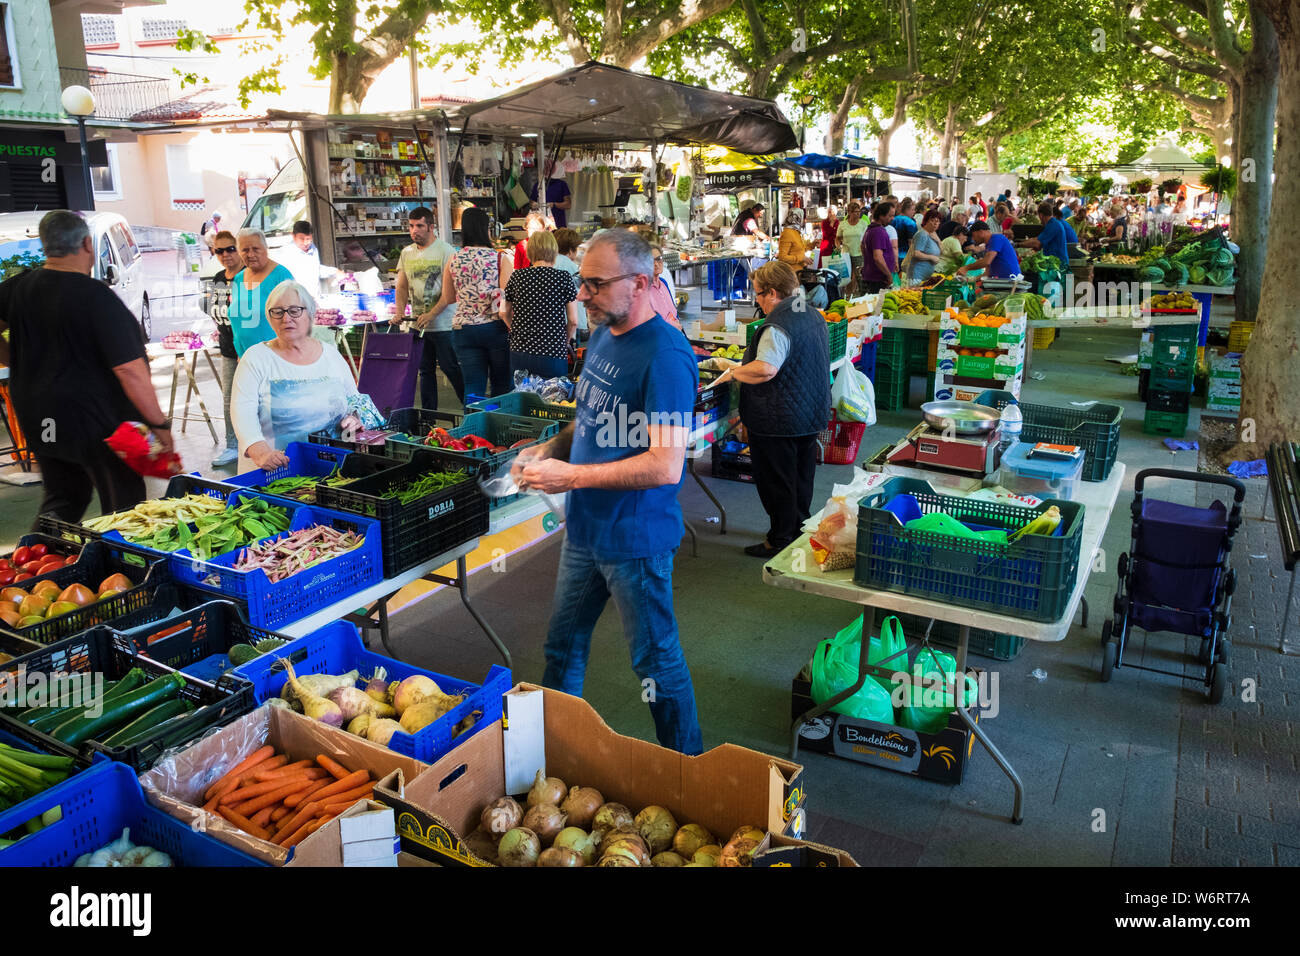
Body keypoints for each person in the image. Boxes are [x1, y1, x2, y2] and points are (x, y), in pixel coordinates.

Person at [511, 229, 703, 755]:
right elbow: (591, 421)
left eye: (595, 284)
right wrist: (551, 449)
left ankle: (687, 768)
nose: (582, 295)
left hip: (635, 540)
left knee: (655, 664)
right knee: (563, 645)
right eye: (582, 281)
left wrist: (569, 477)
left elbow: (665, 465)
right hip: (586, 531)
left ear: (640, 283)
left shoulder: (665, 357)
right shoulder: (602, 332)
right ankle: (555, 752)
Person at [0, 210, 174, 525]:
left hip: (39, 416)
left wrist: (12, 358)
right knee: (125, 504)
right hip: (95, 422)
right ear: (87, 245)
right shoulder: (98, 299)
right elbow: (131, 371)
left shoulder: (19, 288)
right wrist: (159, 424)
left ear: (45, 246)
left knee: (64, 497)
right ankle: (122, 570)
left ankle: (36, 564)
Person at [710, 262, 829, 559]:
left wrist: (732, 374)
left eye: (759, 295)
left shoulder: (778, 324)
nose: (758, 302)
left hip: (779, 417)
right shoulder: (810, 312)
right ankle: (800, 529)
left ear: (773, 293)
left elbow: (765, 369)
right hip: (810, 411)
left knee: (776, 481)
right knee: (801, 476)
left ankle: (779, 539)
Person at [230, 281, 358, 471]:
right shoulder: (256, 358)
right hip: (275, 469)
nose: (286, 318)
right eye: (278, 312)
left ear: (310, 314)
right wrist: (259, 450)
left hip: (330, 464)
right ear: (270, 318)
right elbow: (242, 410)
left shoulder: (330, 354)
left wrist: (354, 418)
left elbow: (354, 400)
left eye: (294, 310)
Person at [430, 206, 513, 398]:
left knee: (473, 389)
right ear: (486, 229)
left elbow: (449, 297)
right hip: (495, 328)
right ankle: (498, 426)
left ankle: (472, 428)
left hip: (464, 329)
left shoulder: (454, 259)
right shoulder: (499, 258)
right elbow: (508, 299)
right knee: (502, 386)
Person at [392, 206, 464, 411]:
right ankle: (428, 417)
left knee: (451, 369)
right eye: (411, 226)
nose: (414, 230)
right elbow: (402, 286)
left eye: (419, 226)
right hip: (417, 325)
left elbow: (451, 293)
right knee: (425, 372)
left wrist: (432, 314)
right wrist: (399, 312)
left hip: (443, 325)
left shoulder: (446, 251)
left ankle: (471, 409)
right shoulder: (406, 253)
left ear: (431, 227)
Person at [502, 230, 579, 380]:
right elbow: (573, 320)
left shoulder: (517, 276)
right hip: (552, 352)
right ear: (554, 250)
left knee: (523, 399)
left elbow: (503, 312)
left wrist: (515, 329)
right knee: (553, 399)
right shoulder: (563, 277)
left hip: (520, 352)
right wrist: (565, 339)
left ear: (530, 251)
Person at [203, 230, 243, 467]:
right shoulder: (218, 278)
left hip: (249, 349)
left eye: (230, 249)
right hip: (228, 349)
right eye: (219, 251)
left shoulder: (250, 276)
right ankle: (232, 445)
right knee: (229, 398)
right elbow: (215, 313)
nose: (225, 255)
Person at [229, 228, 294, 356]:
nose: (251, 254)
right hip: (246, 358)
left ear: (265, 248)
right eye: (245, 250)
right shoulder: (238, 279)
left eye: (256, 249)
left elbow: (296, 320)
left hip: (276, 357)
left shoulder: (281, 276)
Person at [278, 221, 332, 298]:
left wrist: (335, 271)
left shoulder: (313, 249)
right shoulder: (285, 253)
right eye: (302, 239)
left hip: (314, 299)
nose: (305, 243)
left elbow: (315, 269)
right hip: (296, 300)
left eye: (308, 239)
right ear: (293, 236)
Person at [553, 227, 587, 338]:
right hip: (572, 323)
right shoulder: (572, 268)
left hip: (555, 322)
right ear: (571, 250)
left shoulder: (551, 263)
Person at [859, 201, 896, 293]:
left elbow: (863, 247)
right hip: (878, 278)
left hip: (872, 275)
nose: (892, 218)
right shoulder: (878, 231)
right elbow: (878, 257)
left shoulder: (870, 229)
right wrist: (888, 275)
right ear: (881, 216)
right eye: (890, 216)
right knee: (879, 305)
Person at [1018, 201, 1070, 267]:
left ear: (1041, 215)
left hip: (1061, 266)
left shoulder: (1053, 225)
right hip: (1060, 264)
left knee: (1069, 277)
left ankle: (1070, 278)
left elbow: (1037, 243)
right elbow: (1038, 239)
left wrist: (1018, 244)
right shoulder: (1053, 223)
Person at [647, 243, 681, 330]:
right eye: (651, 261)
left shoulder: (663, 283)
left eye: (659, 259)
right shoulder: (644, 290)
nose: (656, 264)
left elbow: (674, 313)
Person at [836, 201, 867, 294]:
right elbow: (837, 238)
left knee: (860, 277)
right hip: (846, 254)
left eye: (859, 212)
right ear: (849, 212)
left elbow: (867, 238)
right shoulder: (843, 224)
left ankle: (862, 296)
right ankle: (848, 295)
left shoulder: (863, 223)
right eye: (855, 212)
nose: (858, 214)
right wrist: (838, 246)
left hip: (859, 253)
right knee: (847, 277)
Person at [529, 162, 573, 228]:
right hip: (540, 224)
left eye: (549, 169)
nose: (547, 172)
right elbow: (531, 202)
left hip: (558, 224)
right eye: (546, 169)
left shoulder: (562, 185)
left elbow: (568, 204)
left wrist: (554, 205)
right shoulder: (538, 185)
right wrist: (534, 204)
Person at [907, 209, 944, 283]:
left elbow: (942, 251)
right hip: (917, 276)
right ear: (926, 221)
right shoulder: (922, 234)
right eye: (933, 220)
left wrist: (938, 241)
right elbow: (916, 253)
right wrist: (931, 257)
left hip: (926, 277)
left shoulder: (933, 234)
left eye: (938, 221)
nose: (935, 223)